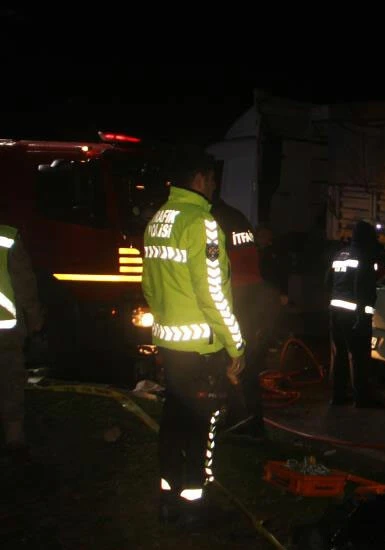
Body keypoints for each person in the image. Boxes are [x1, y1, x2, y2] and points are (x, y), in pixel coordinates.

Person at [142, 153, 246, 527]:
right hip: (202, 349)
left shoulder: (158, 222)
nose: (215, 186)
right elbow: (213, 295)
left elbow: (150, 288)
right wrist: (235, 346)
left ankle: (168, 500)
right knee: (202, 428)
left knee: (173, 423)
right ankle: (195, 507)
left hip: (171, 346)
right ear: (200, 178)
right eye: (212, 179)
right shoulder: (201, 224)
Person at [211, 198, 280, 441]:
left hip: (237, 302)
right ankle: (243, 419)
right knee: (245, 368)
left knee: (238, 368)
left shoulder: (214, 220)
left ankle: (247, 422)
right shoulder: (237, 218)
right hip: (252, 303)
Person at [326, 220, 381, 407]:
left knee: (339, 355)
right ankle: (361, 398)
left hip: (335, 313)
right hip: (355, 316)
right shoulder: (364, 256)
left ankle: (337, 396)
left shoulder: (339, 255)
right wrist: (361, 315)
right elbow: (363, 288)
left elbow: (328, 282)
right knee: (359, 357)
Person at [0, 223, 43, 458]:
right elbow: (24, 283)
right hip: (5, 328)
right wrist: (35, 318)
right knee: (10, 381)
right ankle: (14, 436)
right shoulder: (8, 237)